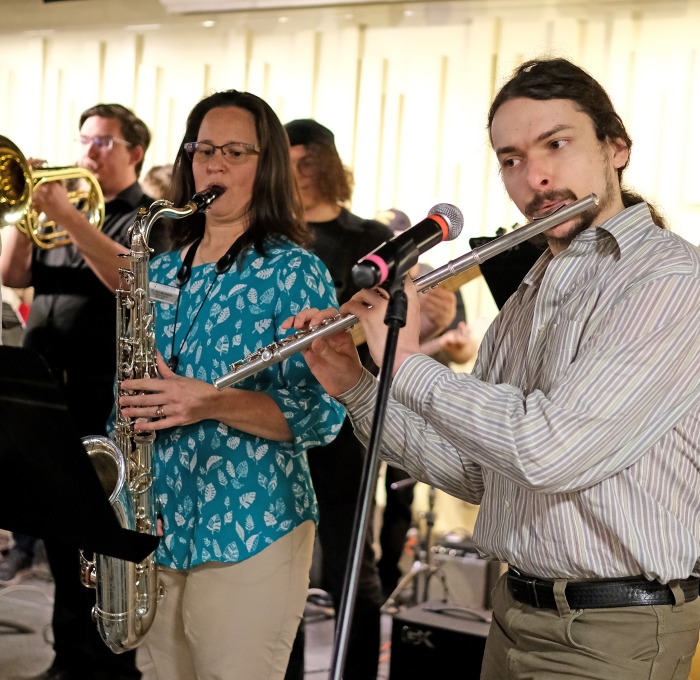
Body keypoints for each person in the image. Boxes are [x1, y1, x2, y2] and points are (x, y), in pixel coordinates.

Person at [288, 57, 700, 680]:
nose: (535, 176)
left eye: (556, 145)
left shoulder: (668, 281)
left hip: (617, 631)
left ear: (617, 148)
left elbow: (551, 450)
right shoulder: (531, 291)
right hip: (514, 614)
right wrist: (357, 384)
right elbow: (479, 472)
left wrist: (405, 365)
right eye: (511, 159)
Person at [116, 90, 345, 680]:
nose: (215, 165)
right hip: (156, 525)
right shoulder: (158, 270)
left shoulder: (295, 271)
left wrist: (211, 402)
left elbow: (321, 417)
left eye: (236, 152)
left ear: (266, 164)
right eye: (204, 149)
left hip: (252, 528)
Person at [0, 103, 155, 680]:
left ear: (135, 151)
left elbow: (128, 280)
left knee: (101, 541)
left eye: (105, 142)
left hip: (103, 398)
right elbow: (13, 274)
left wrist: (65, 214)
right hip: (46, 391)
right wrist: (23, 214)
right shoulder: (65, 213)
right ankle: (69, 659)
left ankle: (107, 665)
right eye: (85, 139)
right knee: (60, 534)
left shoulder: (146, 219)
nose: (88, 151)